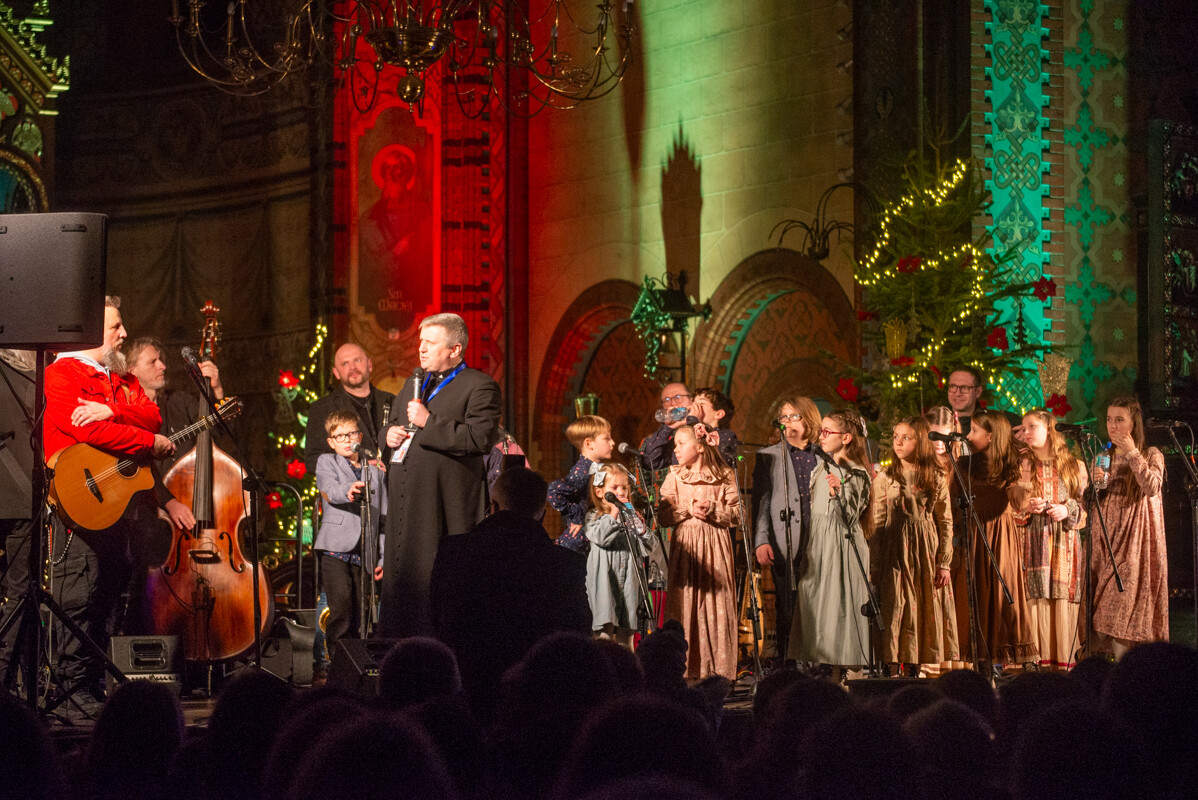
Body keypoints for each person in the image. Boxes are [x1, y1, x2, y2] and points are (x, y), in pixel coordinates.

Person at [42, 297, 173, 715]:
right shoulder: (61, 373)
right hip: (79, 503)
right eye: (115, 326)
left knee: (109, 593)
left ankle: (89, 682)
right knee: (79, 592)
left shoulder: (116, 378)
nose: (123, 334)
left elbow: (152, 415)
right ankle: (68, 689)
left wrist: (113, 409)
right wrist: (146, 442)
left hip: (116, 502)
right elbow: (95, 432)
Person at [430, 468, 590, 720]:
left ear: (493, 506)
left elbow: (437, 620)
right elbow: (577, 634)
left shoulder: (455, 552)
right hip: (541, 702)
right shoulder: (565, 563)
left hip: (468, 697)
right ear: (542, 513)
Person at [380, 312, 501, 637]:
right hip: (405, 506)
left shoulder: (480, 386)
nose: (421, 349)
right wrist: (388, 436)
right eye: (421, 342)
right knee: (400, 585)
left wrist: (427, 421)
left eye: (430, 343)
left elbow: (479, 438)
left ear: (455, 349)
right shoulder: (414, 382)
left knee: (434, 583)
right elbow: (394, 425)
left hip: (443, 507)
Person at [869, 417, 958, 673]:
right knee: (896, 603)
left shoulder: (936, 475)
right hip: (894, 550)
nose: (898, 442)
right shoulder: (886, 476)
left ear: (920, 441)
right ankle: (891, 665)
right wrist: (874, 561)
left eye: (906, 437)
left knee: (921, 605)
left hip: (925, 550)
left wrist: (944, 562)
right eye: (896, 436)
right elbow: (876, 522)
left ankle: (915, 668)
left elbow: (945, 520)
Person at [789, 408, 874, 680]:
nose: (821, 436)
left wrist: (840, 490)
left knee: (838, 605)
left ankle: (841, 672)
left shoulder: (856, 473)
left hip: (842, 545)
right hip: (819, 545)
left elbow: (849, 518)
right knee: (815, 603)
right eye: (821, 431)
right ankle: (820, 669)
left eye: (828, 432)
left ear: (846, 438)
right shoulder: (820, 466)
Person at [656, 424, 742, 680]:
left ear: (700, 446)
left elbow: (740, 514)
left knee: (715, 607)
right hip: (687, 551)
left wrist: (714, 508)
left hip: (716, 549)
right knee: (686, 605)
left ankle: (716, 674)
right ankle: (685, 672)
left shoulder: (725, 475)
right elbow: (662, 516)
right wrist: (687, 509)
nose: (676, 449)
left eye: (681, 443)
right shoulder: (675, 475)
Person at [1090, 396, 1169, 659]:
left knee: (1118, 612)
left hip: (1135, 546)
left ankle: (1123, 676)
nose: (1112, 425)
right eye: (1109, 419)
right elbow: (1090, 502)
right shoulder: (1103, 455)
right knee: (1101, 618)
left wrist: (1133, 453)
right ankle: (1108, 674)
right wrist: (1095, 486)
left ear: (1133, 423)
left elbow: (1152, 486)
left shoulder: (1150, 454)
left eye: (1119, 419)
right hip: (1107, 544)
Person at [961, 410, 1038, 671]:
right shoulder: (964, 463)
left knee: (1001, 597)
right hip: (971, 535)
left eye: (974, 431)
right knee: (977, 598)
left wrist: (1025, 472)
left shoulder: (1011, 465)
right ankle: (980, 668)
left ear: (991, 436)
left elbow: (1018, 502)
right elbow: (952, 502)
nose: (969, 436)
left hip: (999, 538)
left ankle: (998, 668)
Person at [752, 396, 821, 664]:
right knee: (787, 604)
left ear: (809, 420)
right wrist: (761, 540)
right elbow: (762, 503)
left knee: (815, 602)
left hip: (817, 538)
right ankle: (788, 664)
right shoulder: (769, 456)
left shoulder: (821, 455)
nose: (787, 422)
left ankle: (818, 662)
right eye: (783, 417)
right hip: (785, 538)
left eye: (794, 416)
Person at [1016, 408, 1086, 670]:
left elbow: (1084, 510)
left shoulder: (1073, 466)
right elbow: (1009, 506)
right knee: (1033, 598)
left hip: (1062, 545)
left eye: (1032, 426)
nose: (1026, 433)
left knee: (1059, 600)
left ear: (1049, 429)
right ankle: (1033, 663)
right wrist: (1027, 506)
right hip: (1032, 542)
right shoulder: (1021, 465)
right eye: (1023, 428)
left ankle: (1062, 665)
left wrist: (1066, 510)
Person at [314, 411, 386, 654]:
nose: (346, 439)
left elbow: (383, 518)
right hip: (335, 548)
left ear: (360, 436)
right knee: (341, 608)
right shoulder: (326, 461)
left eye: (351, 433)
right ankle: (332, 664)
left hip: (364, 552)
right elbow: (329, 489)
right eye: (339, 435)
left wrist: (382, 557)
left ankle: (355, 667)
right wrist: (348, 489)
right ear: (331, 442)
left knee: (360, 613)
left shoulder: (375, 472)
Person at [584, 464, 655, 648]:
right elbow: (600, 537)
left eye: (624, 488)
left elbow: (649, 547)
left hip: (630, 583)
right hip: (605, 583)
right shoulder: (594, 516)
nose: (621, 492)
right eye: (614, 488)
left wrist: (641, 528)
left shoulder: (630, 516)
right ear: (600, 492)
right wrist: (614, 513)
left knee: (627, 635)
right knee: (604, 637)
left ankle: (627, 671)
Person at [0, 349, 35, 691]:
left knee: (22, 590)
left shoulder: (30, 368)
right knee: (20, 589)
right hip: (18, 492)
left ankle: (9, 679)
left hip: (24, 497)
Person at [304, 343, 395, 474]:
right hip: (354, 491)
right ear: (336, 372)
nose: (352, 367)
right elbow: (313, 461)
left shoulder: (392, 401)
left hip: (393, 490)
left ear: (369, 364)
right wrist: (358, 466)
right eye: (345, 364)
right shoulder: (321, 409)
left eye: (357, 360)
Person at [547, 414, 615, 553]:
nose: (612, 443)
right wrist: (577, 517)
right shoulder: (584, 471)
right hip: (579, 543)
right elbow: (554, 490)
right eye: (607, 438)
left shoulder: (597, 469)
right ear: (589, 443)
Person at [639, 382, 693, 471]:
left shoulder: (704, 429)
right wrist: (669, 428)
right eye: (667, 400)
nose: (672, 403)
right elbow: (649, 462)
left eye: (678, 397)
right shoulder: (665, 437)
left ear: (691, 399)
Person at [691, 386, 741, 468]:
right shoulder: (688, 430)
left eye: (701, 404)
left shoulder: (726, 436)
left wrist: (692, 420)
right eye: (693, 404)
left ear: (718, 414)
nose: (695, 408)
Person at [946, 366, 985, 433]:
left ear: (978, 392)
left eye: (964, 388)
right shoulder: (936, 421)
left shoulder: (988, 425)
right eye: (953, 387)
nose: (957, 393)